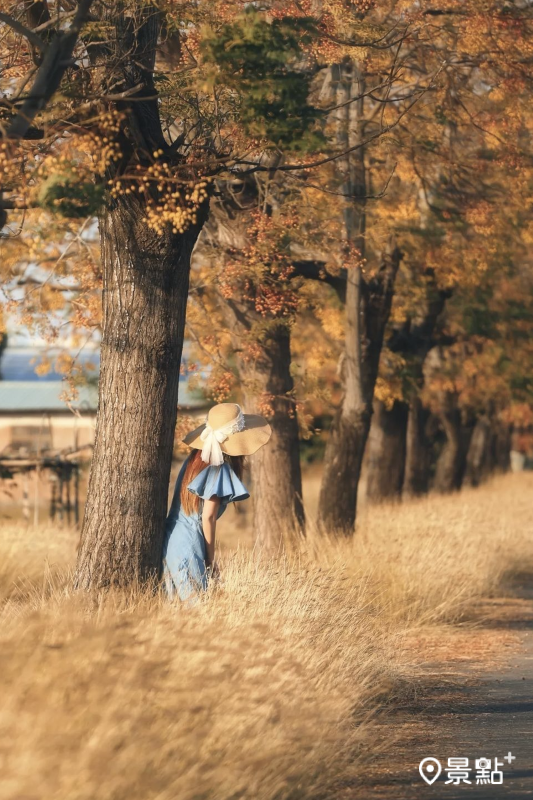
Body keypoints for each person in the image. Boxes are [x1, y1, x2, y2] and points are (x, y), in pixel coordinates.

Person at [162, 402, 271, 602]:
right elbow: (208, 517)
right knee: (198, 609)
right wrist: (211, 562)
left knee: (175, 609)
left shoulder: (194, 460)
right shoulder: (218, 468)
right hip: (189, 543)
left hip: (171, 538)